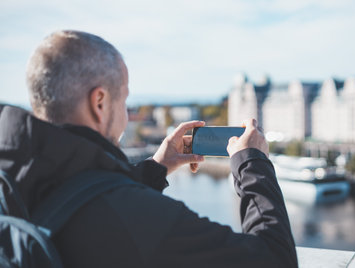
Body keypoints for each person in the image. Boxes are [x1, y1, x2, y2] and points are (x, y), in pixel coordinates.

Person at [0, 30, 297, 267]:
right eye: (124, 99)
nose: (127, 113)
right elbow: (275, 259)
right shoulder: (146, 221)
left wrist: (156, 169)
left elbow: (77, 195)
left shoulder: (10, 184)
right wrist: (252, 162)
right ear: (100, 103)